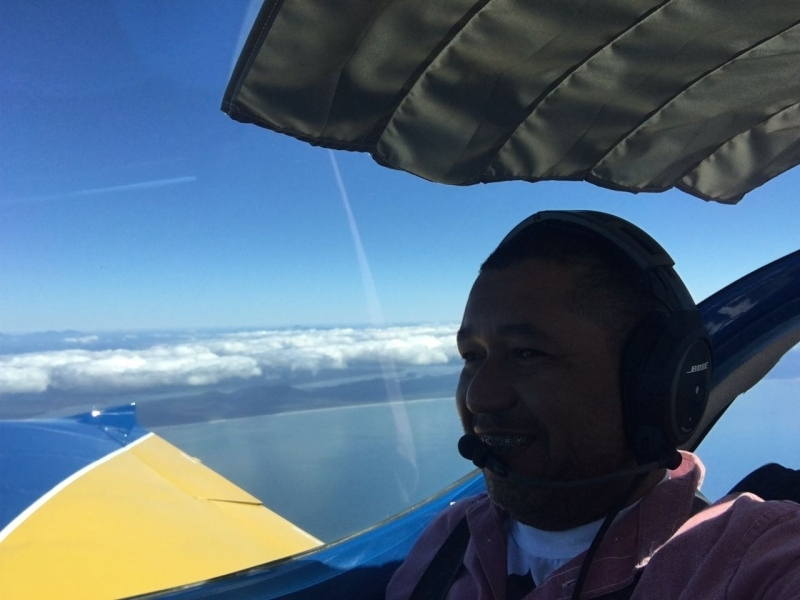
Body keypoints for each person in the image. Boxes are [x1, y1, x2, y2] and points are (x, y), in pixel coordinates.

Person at [386, 210, 800, 600]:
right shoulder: (450, 534)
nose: (478, 397)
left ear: (652, 383)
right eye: (472, 356)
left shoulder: (755, 560)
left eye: (527, 353)